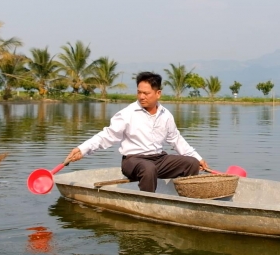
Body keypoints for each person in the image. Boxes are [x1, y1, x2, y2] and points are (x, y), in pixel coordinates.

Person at [64, 71, 209, 192]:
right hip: (133, 161)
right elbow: (106, 136)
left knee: (191, 163)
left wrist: (197, 158)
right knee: (148, 168)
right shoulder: (127, 113)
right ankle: (148, 204)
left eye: (146, 93)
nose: (141, 97)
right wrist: (82, 149)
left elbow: (176, 140)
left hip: (159, 159)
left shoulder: (166, 115)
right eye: (139, 92)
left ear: (158, 93)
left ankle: (186, 197)